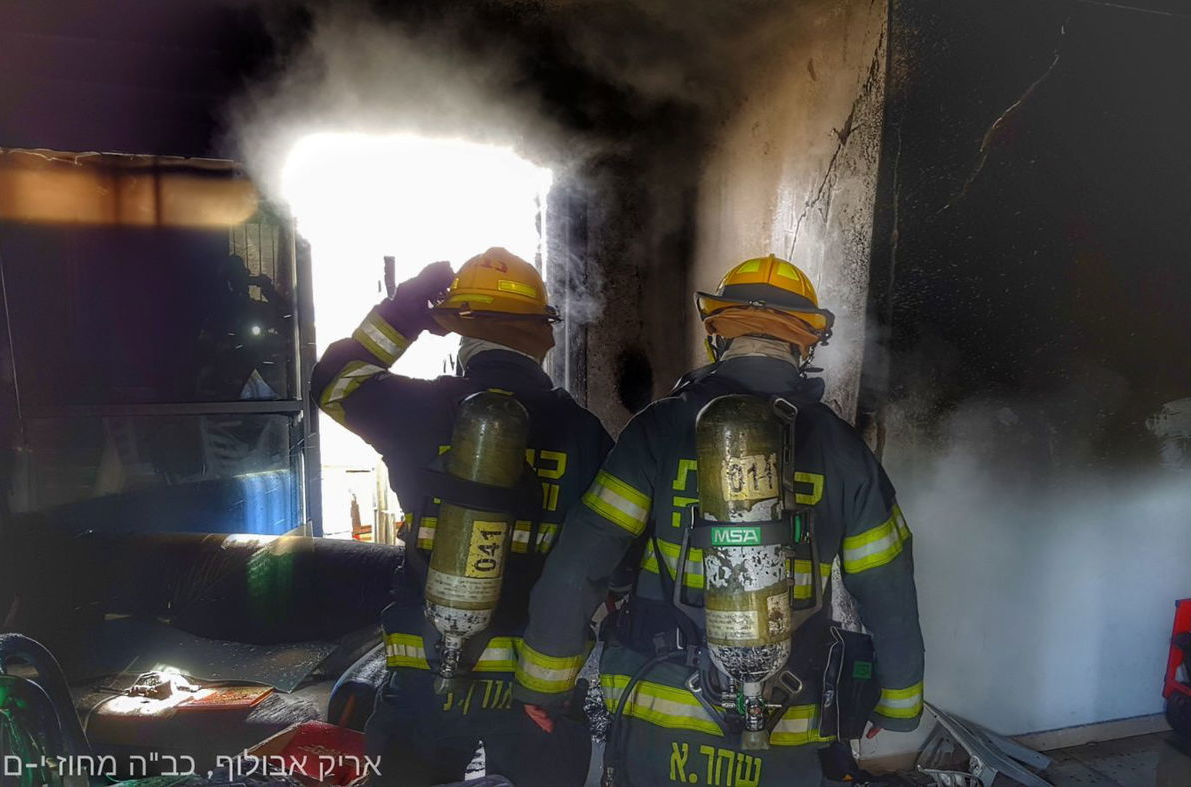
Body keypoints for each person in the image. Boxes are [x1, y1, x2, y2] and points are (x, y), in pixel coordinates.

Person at [516, 255, 925, 786]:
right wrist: (898, 701)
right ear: (804, 344)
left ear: (718, 334)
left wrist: (543, 680)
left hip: (659, 705)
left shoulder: (658, 429)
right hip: (787, 714)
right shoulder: (843, 450)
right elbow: (886, 585)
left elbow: (584, 556)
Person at [311, 248, 611, 786]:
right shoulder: (584, 432)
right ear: (540, 338)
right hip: (533, 684)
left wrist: (406, 311)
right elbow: (613, 561)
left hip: (429, 673)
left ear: (462, 335)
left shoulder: (421, 410)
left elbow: (335, 382)